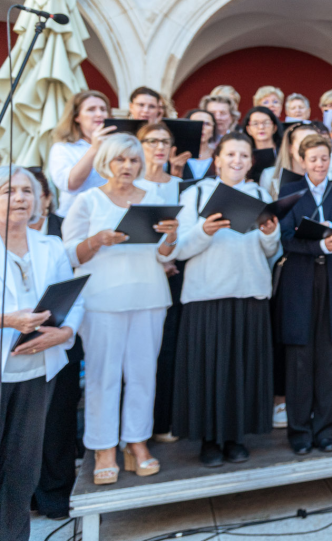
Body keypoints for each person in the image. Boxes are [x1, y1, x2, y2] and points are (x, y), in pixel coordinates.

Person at [62, 134, 179, 483]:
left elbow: (166, 255)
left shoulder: (155, 198)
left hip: (150, 294)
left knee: (144, 374)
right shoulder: (87, 201)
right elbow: (68, 255)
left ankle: (137, 442)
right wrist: (98, 240)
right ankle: (103, 448)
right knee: (103, 376)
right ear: (106, 162)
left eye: (133, 161)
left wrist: (171, 236)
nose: (127, 167)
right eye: (120, 160)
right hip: (102, 299)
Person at [172, 132, 280, 465]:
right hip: (208, 294)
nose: (237, 161)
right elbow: (178, 249)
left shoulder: (261, 193)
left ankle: (236, 437)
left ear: (251, 162)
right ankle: (209, 440)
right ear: (217, 159)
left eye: (244, 156)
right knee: (208, 370)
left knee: (242, 370)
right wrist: (204, 230)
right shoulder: (196, 193)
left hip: (250, 292)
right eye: (230, 154)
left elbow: (271, 251)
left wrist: (270, 233)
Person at [0, 166, 84, 541]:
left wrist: (65, 332)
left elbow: (75, 299)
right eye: (8, 191)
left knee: (22, 470)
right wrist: (7, 320)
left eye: (25, 191)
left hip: (36, 374)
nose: (19, 198)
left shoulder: (50, 246)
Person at [276, 134, 332, 454]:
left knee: (327, 358)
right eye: (313, 159)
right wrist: (318, 244)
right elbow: (284, 239)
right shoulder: (290, 192)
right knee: (299, 358)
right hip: (299, 280)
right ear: (302, 161)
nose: (319, 164)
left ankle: (326, 430)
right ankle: (298, 431)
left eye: (324, 158)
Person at [135, 123, 183, 445]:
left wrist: (171, 257)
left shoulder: (182, 186)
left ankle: (163, 421)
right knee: (139, 353)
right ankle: (135, 429)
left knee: (168, 351)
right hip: (141, 278)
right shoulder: (130, 185)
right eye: (151, 140)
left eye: (165, 141)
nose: (159, 146)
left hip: (178, 276)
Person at [48, 90, 113, 216]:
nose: (99, 114)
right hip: (76, 217)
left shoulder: (115, 146)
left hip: (108, 214)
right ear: (77, 117)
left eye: (103, 109)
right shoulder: (63, 148)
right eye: (91, 109)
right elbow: (70, 184)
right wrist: (94, 149)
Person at [261, 122, 319, 198]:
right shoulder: (269, 176)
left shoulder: (327, 176)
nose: (309, 149)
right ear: (290, 148)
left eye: (315, 143)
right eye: (303, 143)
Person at [241, 106, 283, 181]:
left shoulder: (284, 152)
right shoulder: (244, 155)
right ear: (248, 129)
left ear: (274, 128)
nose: (261, 127)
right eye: (255, 123)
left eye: (266, 123)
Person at [182, 109, 217, 181]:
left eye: (207, 124)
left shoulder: (218, 155)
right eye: (196, 123)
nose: (202, 127)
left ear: (213, 129)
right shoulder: (175, 155)